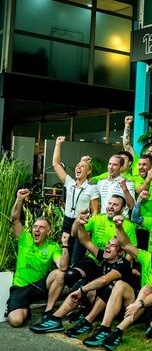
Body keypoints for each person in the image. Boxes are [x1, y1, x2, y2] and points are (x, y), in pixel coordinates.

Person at [83, 217, 152, 351]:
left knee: (146, 289)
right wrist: (119, 227)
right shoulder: (146, 257)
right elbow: (125, 245)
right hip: (141, 307)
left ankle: (118, 332)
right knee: (120, 284)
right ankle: (105, 328)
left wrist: (139, 303)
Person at [29, 232, 130, 337]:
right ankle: (55, 318)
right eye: (108, 243)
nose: (107, 246)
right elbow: (86, 241)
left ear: (120, 252)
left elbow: (104, 280)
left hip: (119, 309)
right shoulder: (105, 258)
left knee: (107, 286)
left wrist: (82, 290)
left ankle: (87, 322)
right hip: (100, 303)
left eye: (112, 245)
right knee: (87, 284)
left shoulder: (123, 264)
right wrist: (79, 226)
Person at [5, 189, 67, 327]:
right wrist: (19, 199)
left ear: (49, 232)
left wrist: (65, 244)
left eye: (42, 228)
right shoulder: (25, 238)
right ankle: (24, 309)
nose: (37, 230)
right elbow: (15, 220)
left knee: (60, 274)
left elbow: (62, 267)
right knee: (16, 321)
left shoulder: (53, 246)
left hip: (39, 287)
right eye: (35, 227)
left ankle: (48, 312)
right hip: (20, 287)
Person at [52, 136, 99, 266]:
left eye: (83, 166)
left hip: (81, 224)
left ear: (89, 171)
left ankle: (74, 275)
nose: (78, 168)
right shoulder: (70, 183)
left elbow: (95, 211)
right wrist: (58, 144)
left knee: (76, 258)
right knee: (65, 254)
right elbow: (56, 164)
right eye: (77, 166)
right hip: (67, 222)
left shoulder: (92, 188)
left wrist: (89, 228)